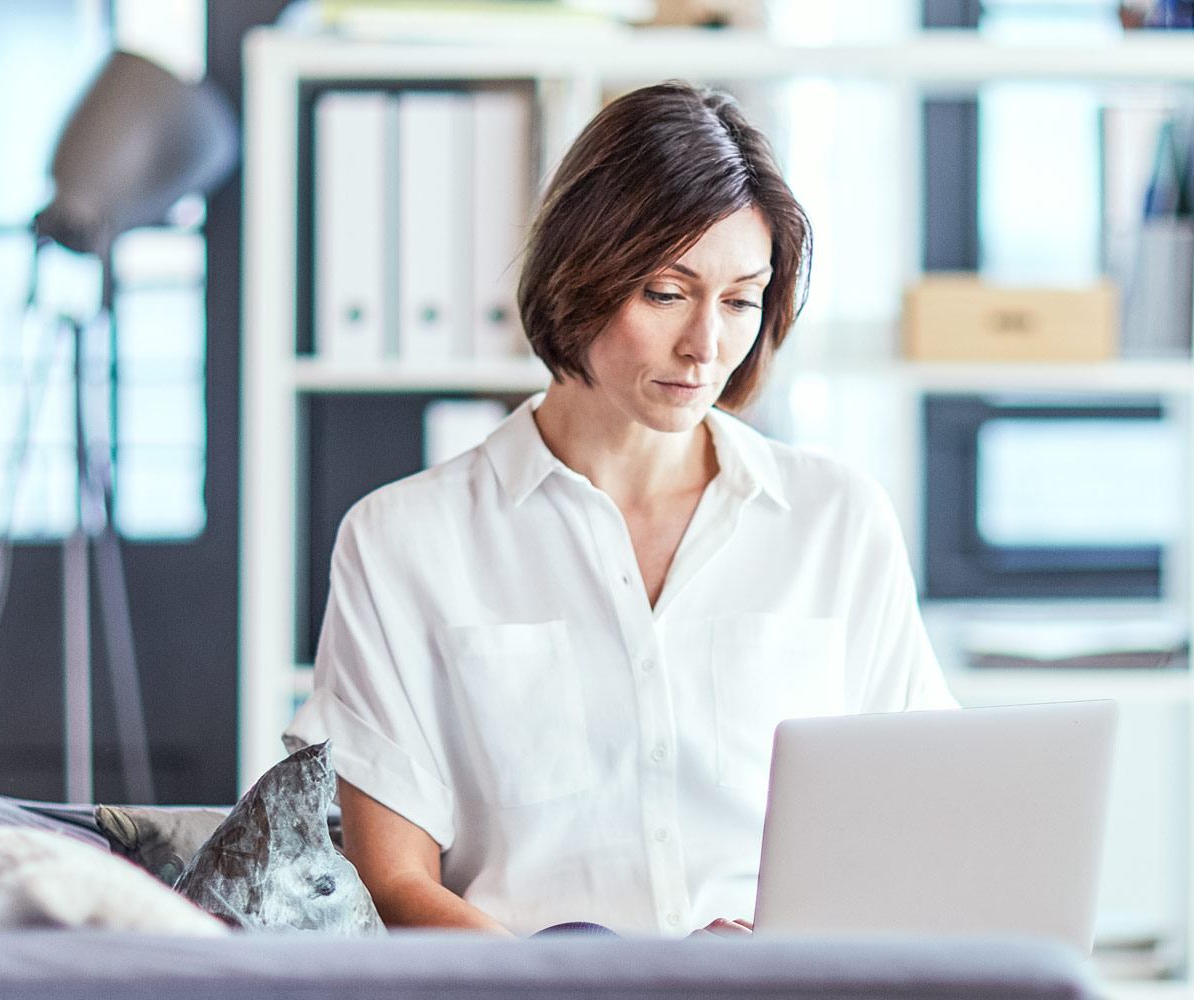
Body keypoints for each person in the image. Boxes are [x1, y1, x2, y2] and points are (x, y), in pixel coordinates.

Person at [281, 81, 956, 939]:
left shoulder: (837, 521)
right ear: (580, 274)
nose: (706, 344)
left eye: (741, 299)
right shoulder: (402, 541)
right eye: (667, 293)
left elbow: (919, 824)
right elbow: (392, 883)